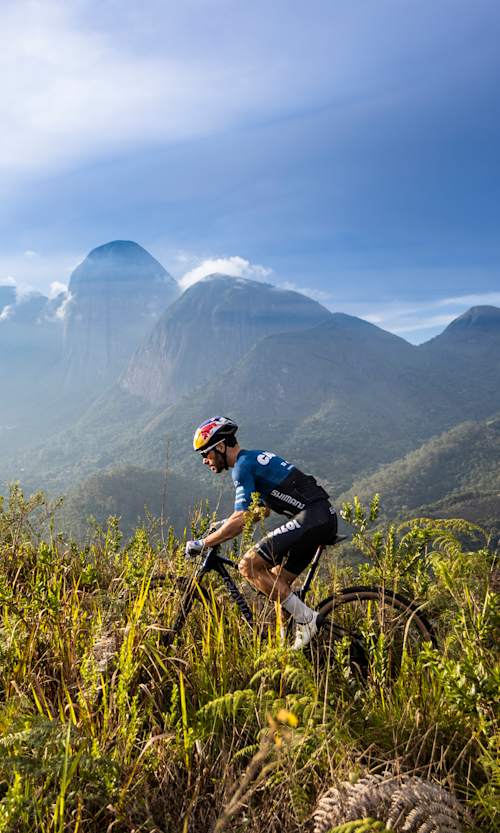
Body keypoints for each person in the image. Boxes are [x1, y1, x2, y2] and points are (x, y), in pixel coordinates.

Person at [185, 416, 338, 649]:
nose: (204, 460)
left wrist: (204, 542)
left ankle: (308, 620)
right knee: (277, 587)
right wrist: (225, 523)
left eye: (205, 453)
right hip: (320, 517)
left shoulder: (242, 468)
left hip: (312, 518)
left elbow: (242, 519)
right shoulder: (252, 458)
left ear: (220, 446)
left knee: (248, 565)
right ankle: (286, 651)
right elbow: (261, 511)